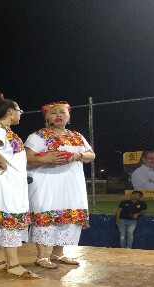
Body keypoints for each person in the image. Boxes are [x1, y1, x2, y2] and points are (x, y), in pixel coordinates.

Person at [25, 101, 95, 268]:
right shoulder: (39, 136)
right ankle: (41, 257)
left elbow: (91, 155)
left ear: (69, 117)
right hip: (46, 183)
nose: (58, 115)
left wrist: (77, 156)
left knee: (67, 216)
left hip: (71, 183)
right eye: (53, 113)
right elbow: (26, 158)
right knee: (45, 215)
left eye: (62, 112)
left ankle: (58, 253)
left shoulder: (76, 136)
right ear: (47, 117)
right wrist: (45, 158)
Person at [0, 93, 37, 278]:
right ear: (11, 112)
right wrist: (2, 161)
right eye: (19, 111)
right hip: (5, 184)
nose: (20, 114)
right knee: (9, 217)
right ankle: (13, 264)